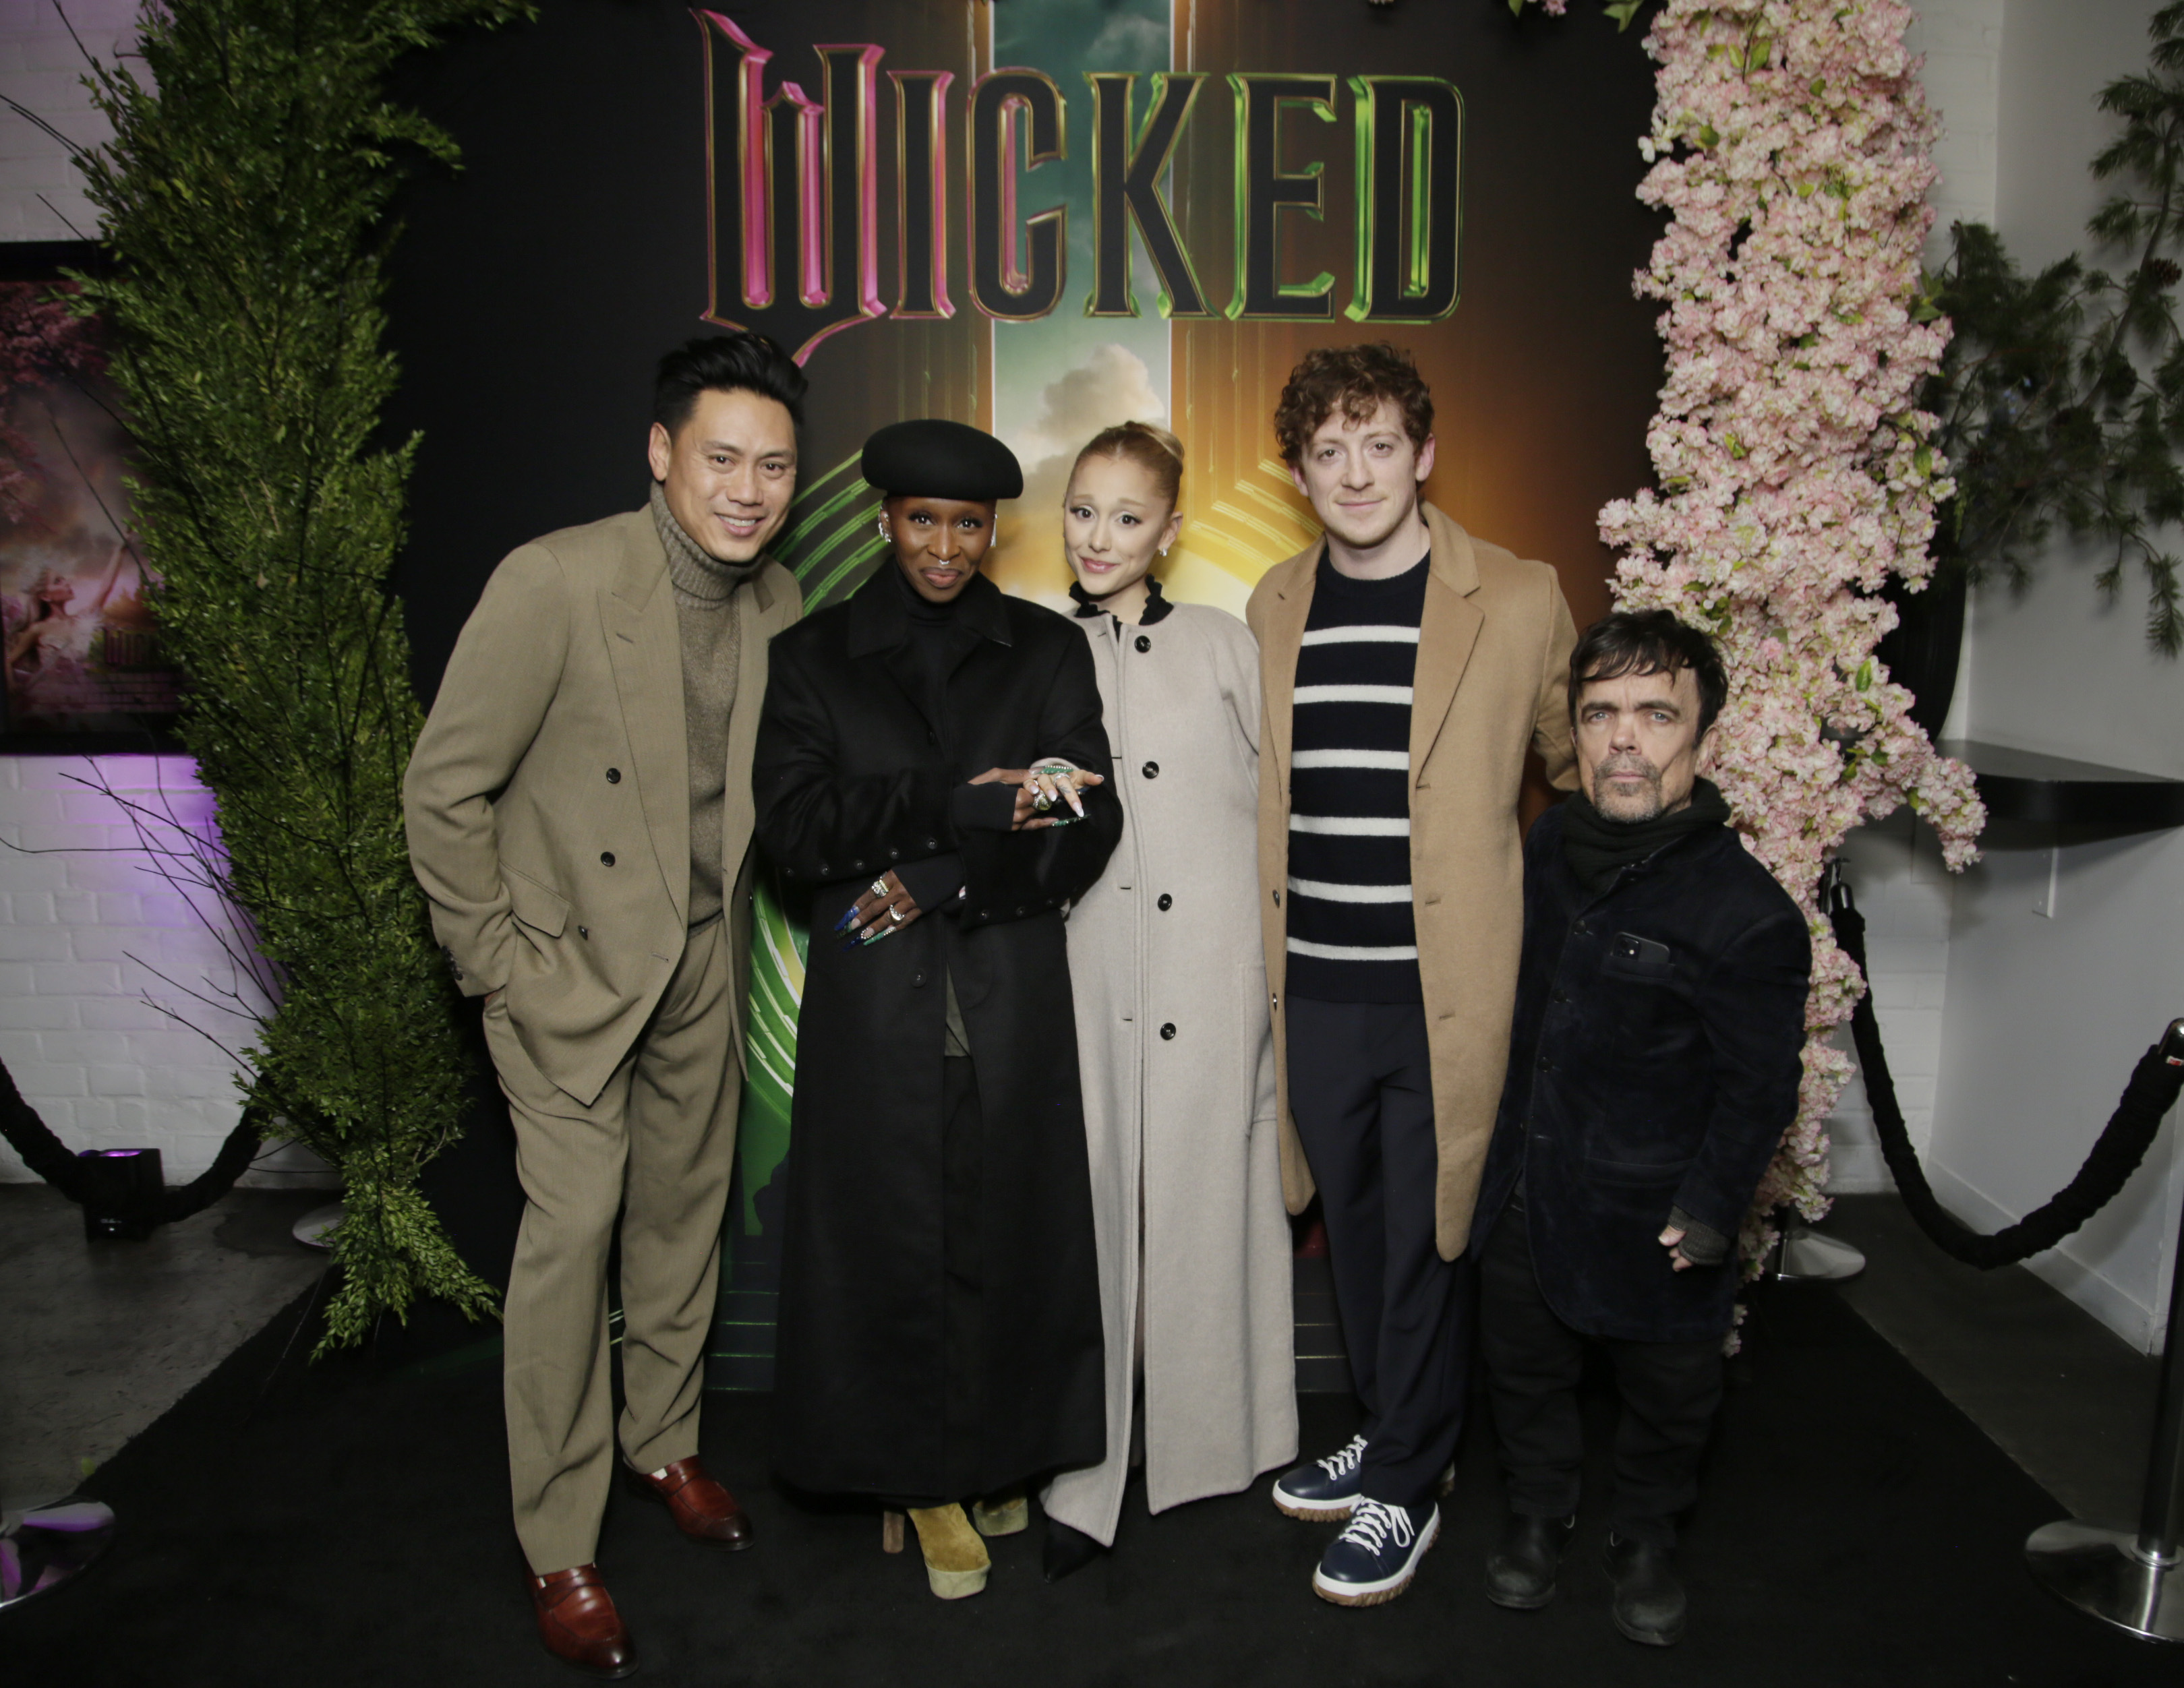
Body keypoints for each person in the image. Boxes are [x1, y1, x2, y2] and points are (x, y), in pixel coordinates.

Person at [403, 332, 807, 1677]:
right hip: (568, 971)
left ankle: (665, 1444)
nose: (747, 489)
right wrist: (499, 964)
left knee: (684, 1215)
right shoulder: (557, 581)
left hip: (702, 960)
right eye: (721, 459)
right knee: (574, 1237)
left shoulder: (780, 600)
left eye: (773, 464)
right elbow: (441, 789)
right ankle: (560, 1539)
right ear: (661, 453)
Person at [754, 418, 1121, 1601]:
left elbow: (1089, 813)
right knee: (890, 1237)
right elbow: (795, 837)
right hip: (878, 1006)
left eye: (970, 525)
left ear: (994, 529)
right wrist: (950, 807)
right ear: (885, 519)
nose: (948, 548)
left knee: (1004, 1229)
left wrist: (944, 873)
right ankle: (913, 1476)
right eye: (926, 521)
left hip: (1007, 994)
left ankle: (997, 1452)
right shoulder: (814, 655)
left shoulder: (1045, 650)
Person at [1247, 342, 1578, 1607]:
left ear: (1425, 452)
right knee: (1364, 1234)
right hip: (1317, 988)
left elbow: (1572, 766)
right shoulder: (1273, 604)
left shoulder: (1522, 594)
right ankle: (1395, 1438)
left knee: (1432, 1243)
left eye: (1379, 443)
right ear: (1296, 472)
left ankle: (1405, 1489)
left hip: (1448, 996)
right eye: (1328, 451)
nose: (1356, 472)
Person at [1469, 610, 1810, 1647]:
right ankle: (1541, 1512)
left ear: (1700, 740)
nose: (1625, 736)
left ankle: (1647, 1537)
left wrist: (1708, 1212)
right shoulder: (1542, 848)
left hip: (1658, 1217)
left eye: (1657, 714)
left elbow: (1760, 1086)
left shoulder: (1748, 913)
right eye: (1602, 712)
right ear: (1575, 732)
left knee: (1671, 1398)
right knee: (1524, 1372)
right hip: (1527, 1191)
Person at [1038, 423, 1297, 1582]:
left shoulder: (1226, 644)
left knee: (1213, 1207)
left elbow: (1276, 808)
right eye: (1083, 510)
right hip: (1086, 968)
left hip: (1213, 967)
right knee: (1085, 1211)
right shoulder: (1030, 651)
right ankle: (1079, 1473)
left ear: (1173, 531)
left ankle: (1218, 1446)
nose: (1101, 535)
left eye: (1128, 516)